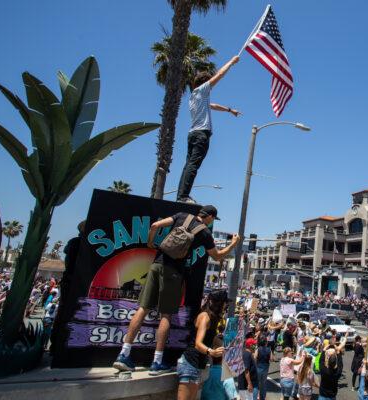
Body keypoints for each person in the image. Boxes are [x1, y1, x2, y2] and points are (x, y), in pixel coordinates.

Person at [113, 207, 240, 375]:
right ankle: (157, 362)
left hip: (157, 264)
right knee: (166, 314)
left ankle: (123, 354)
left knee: (142, 308)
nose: (211, 222)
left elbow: (155, 225)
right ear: (209, 216)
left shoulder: (182, 216)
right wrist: (233, 243)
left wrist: (151, 243)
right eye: (212, 219)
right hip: (173, 272)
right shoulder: (204, 234)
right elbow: (217, 256)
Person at [177, 56, 241, 203]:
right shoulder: (202, 89)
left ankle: (181, 196)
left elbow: (212, 106)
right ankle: (183, 197)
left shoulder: (195, 96)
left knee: (189, 164)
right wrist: (231, 62)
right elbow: (219, 75)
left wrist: (229, 110)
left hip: (192, 133)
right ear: (205, 83)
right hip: (201, 134)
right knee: (193, 165)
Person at [177, 290, 228, 400]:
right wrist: (211, 351)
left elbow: (211, 338)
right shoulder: (205, 316)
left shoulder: (213, 318)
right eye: (225, 303)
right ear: (218, 303)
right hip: (190, 363)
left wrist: (226, 347)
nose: (226, 306)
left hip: (198, 365)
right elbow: (198, 344)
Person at [255, 336, 272, 400]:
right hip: (265, 367)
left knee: (257, 382)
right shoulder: (269, 349)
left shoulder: (258, 349)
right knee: (263, 383)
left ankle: (257, 396)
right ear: (265, 342)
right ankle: (263, 397)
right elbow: (271, 358)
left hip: (258, 367)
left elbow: (255, 357)